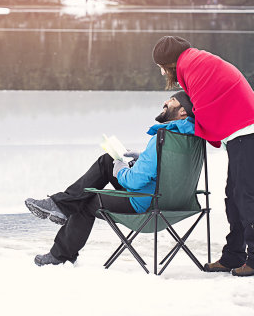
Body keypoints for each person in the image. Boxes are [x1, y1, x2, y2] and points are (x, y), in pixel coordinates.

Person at [25, 91, 195, 266]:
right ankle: (60, 205)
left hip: (144, 203)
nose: (166, 102)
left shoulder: (162, 138)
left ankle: (60, 254)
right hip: (172, 202)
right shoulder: (189, 139)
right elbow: (169, 169)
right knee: (108, 160)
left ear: (183, 111)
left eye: (172, 100)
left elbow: (134, 182)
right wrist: (143, 157)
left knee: (87, 199)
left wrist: (121, 170)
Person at [152, 36, 254, 277]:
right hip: (244, 130)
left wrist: (190, 128)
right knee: (234, 195)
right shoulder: (195, 61)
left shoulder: (193, 66)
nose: (164, 73)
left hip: (246, 130)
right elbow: (207, 103)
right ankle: (234, 255)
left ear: (169, 64)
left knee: (246, 194)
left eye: (162, 68)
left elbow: (202, 108)